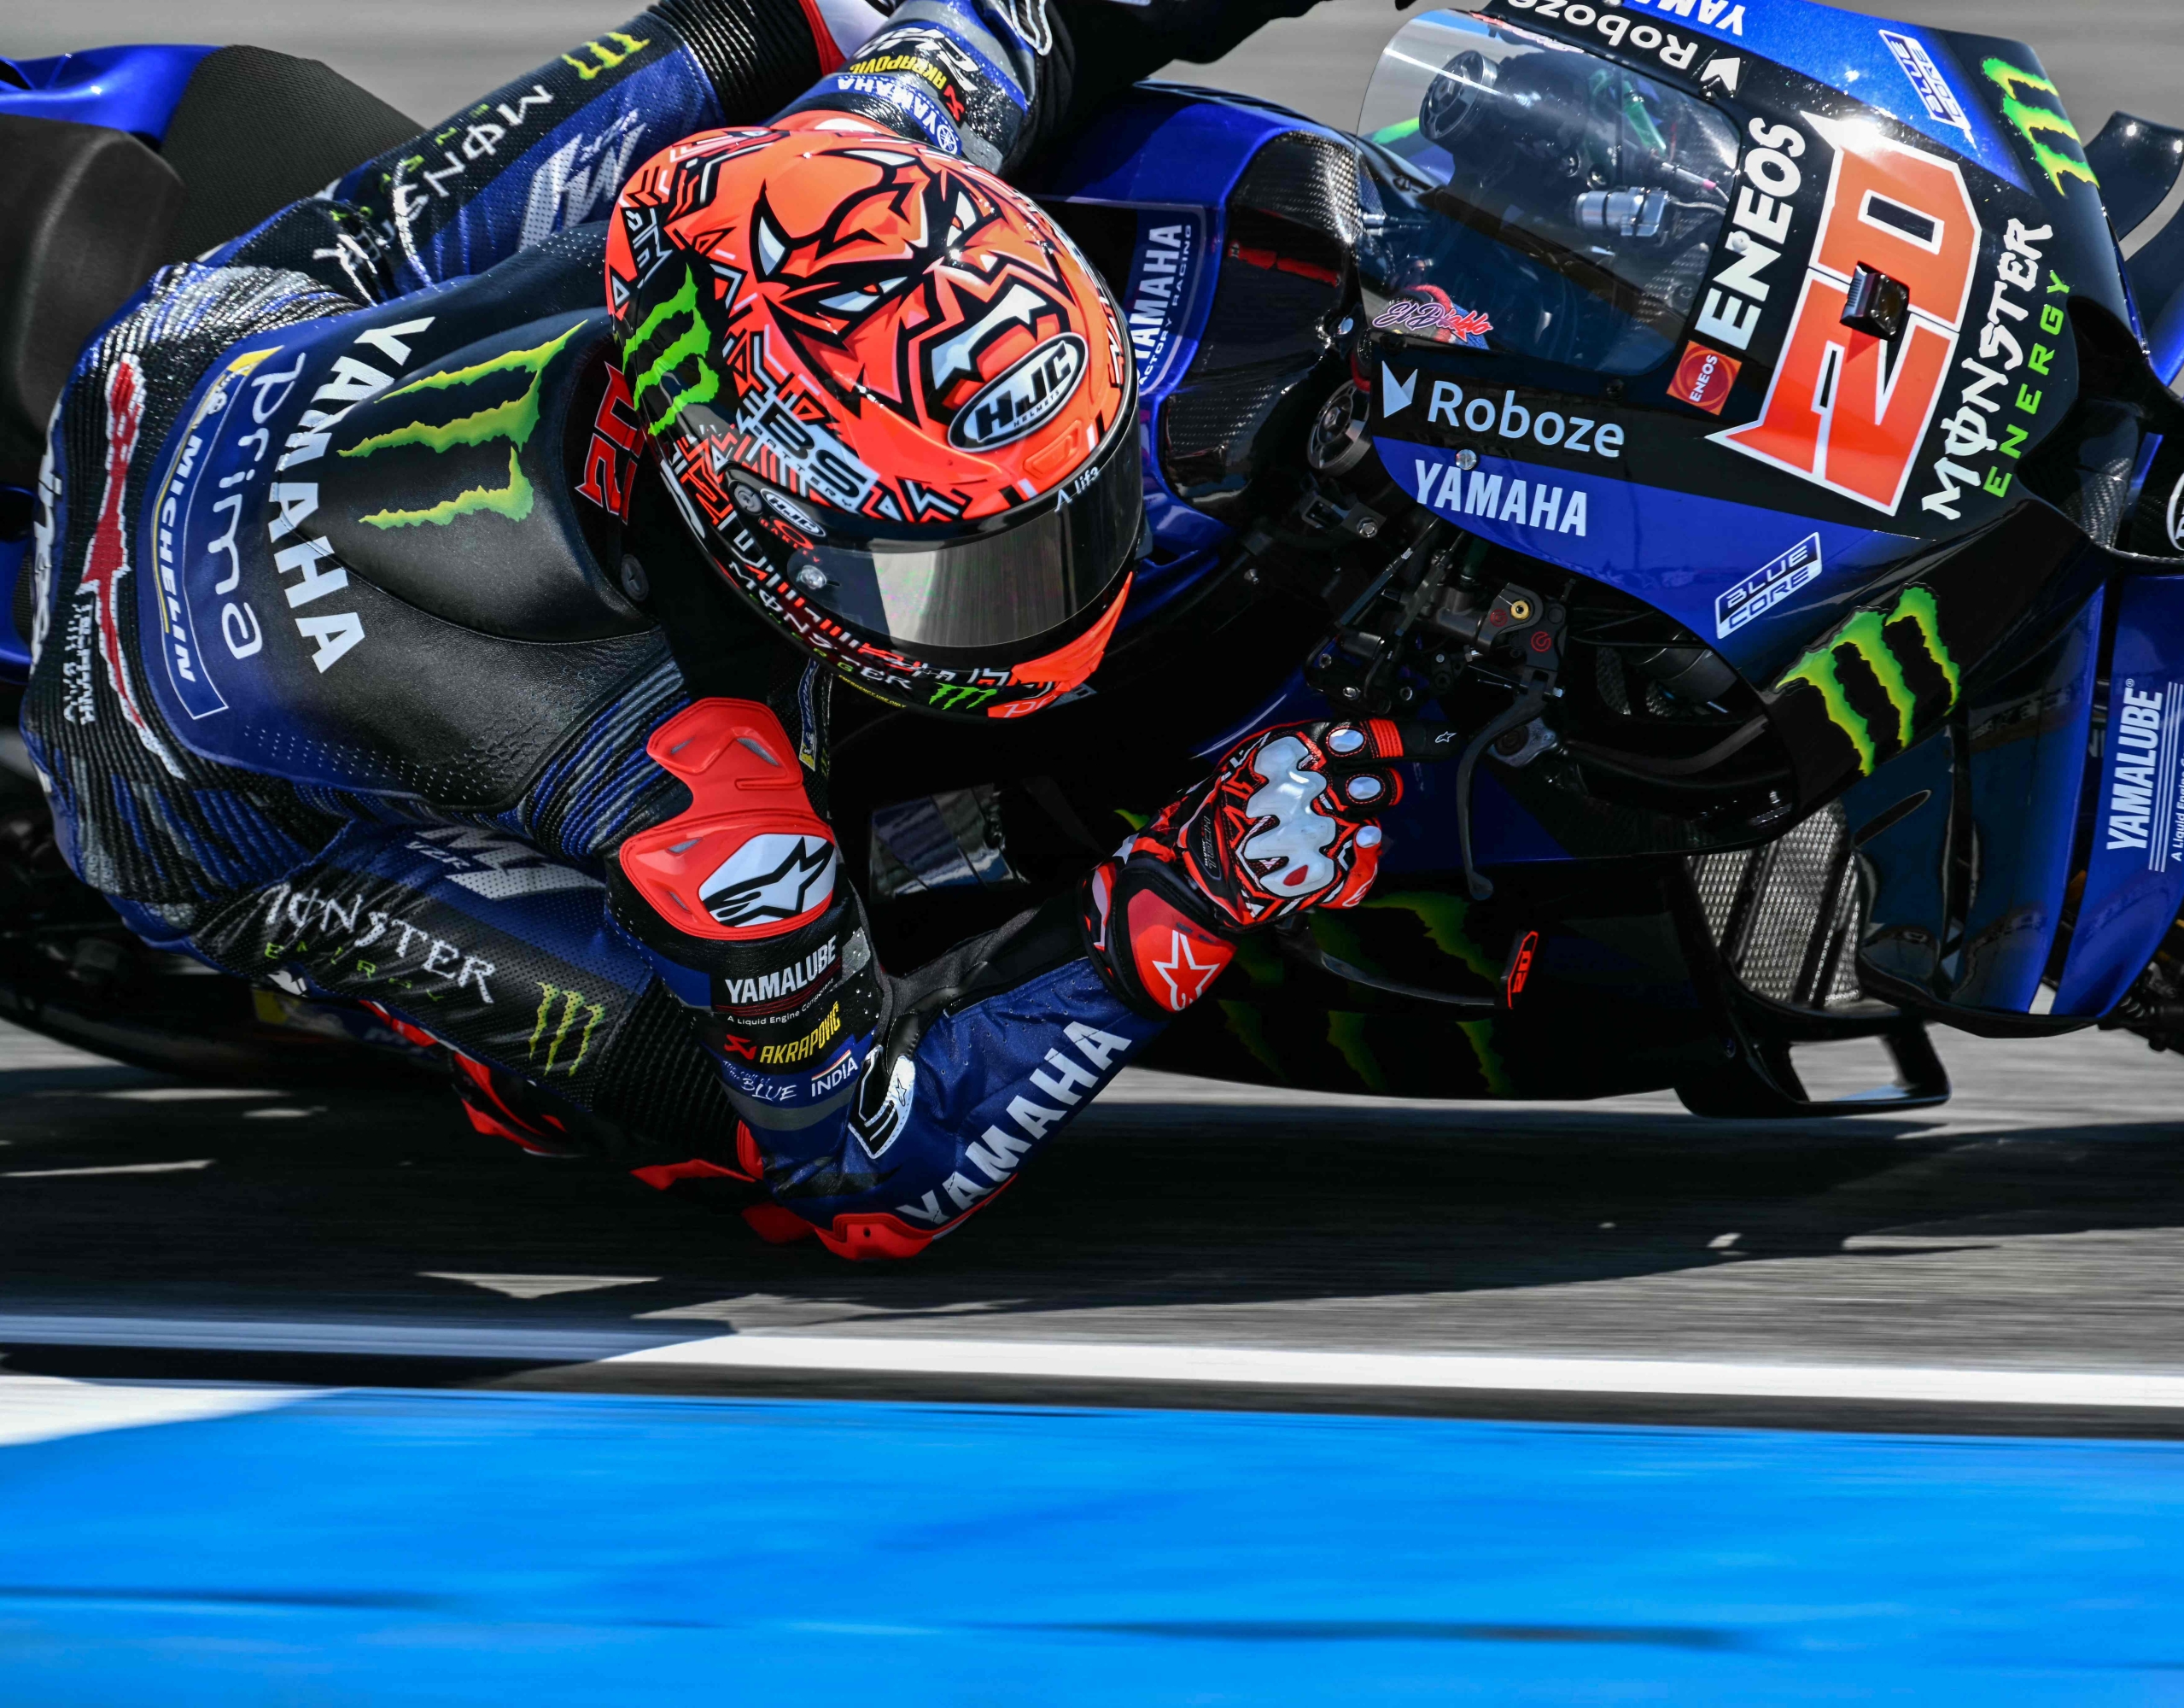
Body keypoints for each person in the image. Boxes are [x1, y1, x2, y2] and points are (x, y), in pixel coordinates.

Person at [16, 0, 1439, 1259]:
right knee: (701, 1120)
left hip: (219, 337)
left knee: (796, 21)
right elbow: (876, 1171)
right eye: (978, 568)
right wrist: (1202, 886)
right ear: (759, 521)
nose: (1060, 590)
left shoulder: (866, 146)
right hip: (161, 747)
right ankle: (344, 987)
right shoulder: (723, 814)